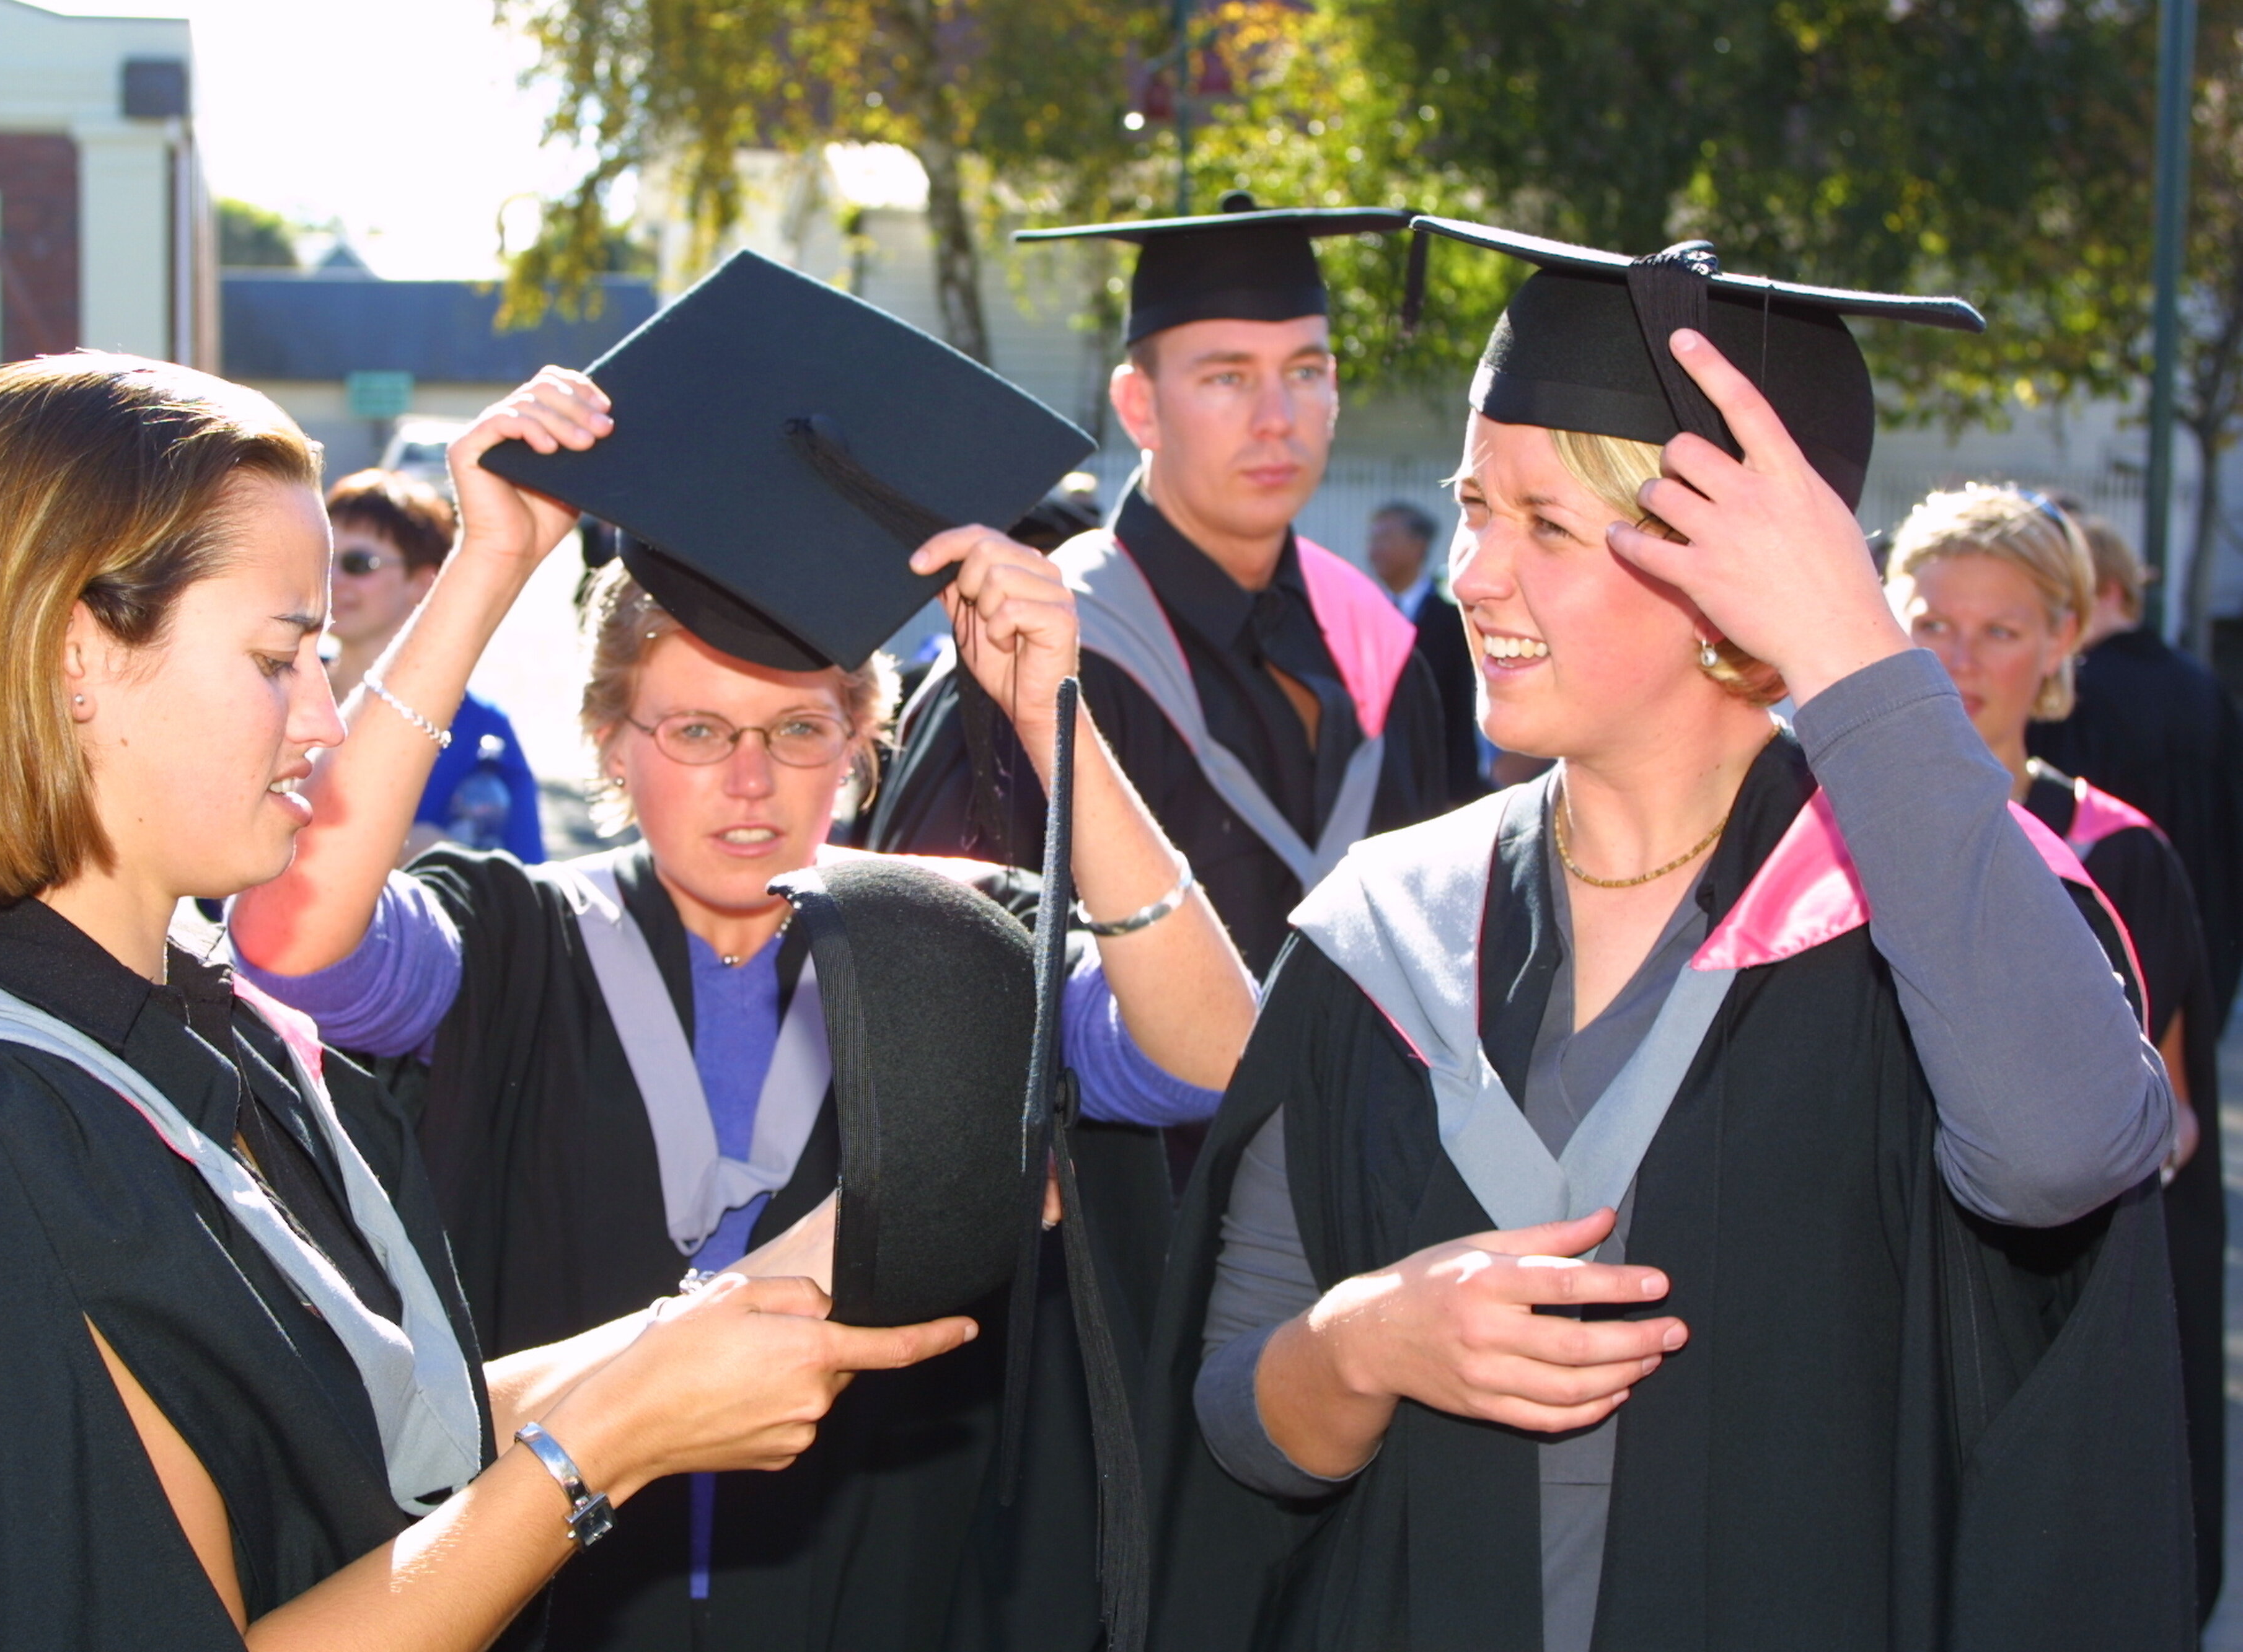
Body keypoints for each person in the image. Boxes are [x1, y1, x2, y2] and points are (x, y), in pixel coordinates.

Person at [0, 354, 977, 1650]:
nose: (325, 720)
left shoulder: (195, 1026)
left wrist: (769, 1293)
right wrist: (602, 1453)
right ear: (76, 656)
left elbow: (370, 1436)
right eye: (276, 659)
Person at [1147, 220, 2194, 1652]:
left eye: (1545, 524)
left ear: (1730, 583)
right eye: (1471, 505)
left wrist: (1851, 646)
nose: (1471, 574)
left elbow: (2061, 1152)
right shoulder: (1384, 932)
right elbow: (1238, 1412)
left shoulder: (1939, 931)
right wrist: (1368, 1339)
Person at [229, 341, 1259, 1646]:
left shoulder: (956, 947)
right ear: (610, 742)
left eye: (800, 731)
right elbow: (286, 939)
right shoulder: (512, 942)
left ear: (862, 739)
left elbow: (1212, 1057)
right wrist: (487, 562)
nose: (750, 782)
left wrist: (1058, 723)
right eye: (698, 731)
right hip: (549, 1600)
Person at [871, 195, 1452, 980]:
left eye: (1305, 371)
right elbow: (926, 981)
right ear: (1138, 405)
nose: (1278, 417)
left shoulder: (1378, 650)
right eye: (1227, 377)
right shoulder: (1032, 656)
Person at [1885, 483, 2224, 1619]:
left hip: (2051, 1315)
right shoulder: (1820, 840)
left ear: (2061, 637)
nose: (1957, 658)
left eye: (1998, 629)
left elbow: (2171, 1115)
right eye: (1929, 622)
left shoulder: (2117, 859)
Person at [2028, 504, 2243, 1032]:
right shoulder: (2201, 683)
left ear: (2108, 591)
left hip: (2104, 942)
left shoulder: (2071, 694)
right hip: (2205, 935)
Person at [325, 467, 544, 863]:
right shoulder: (276, 695)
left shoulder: (482, 732)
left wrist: (447, 857)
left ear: (424, 582)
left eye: (358, 563)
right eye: (323, 557)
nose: (332, 578)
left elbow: (523, 880)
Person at [1370, 501, 1486, 803]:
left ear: (1418, 546)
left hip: (1437, 784)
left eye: (1386, 538)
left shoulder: (1451, 619)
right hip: (1376, 786)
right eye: (1373, 539)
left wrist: (1460, 791)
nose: (1375, 549)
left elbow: (1461, 708)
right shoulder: (1365, 615)